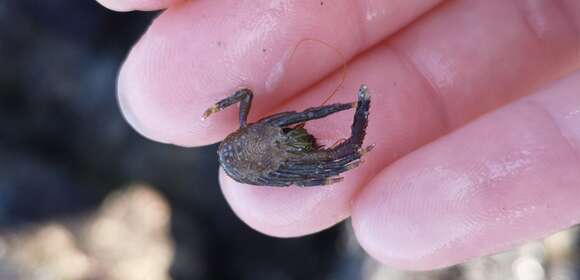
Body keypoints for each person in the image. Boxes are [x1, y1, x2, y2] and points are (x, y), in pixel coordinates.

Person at [97, 0, 580, 270]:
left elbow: (271, 109)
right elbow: (307, 151)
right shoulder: (275, 151)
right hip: (258, 154)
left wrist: (349, 109)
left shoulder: (277, 137)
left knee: (325, 149)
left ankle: (352, 112)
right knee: (331, 157)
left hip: (263, 149)